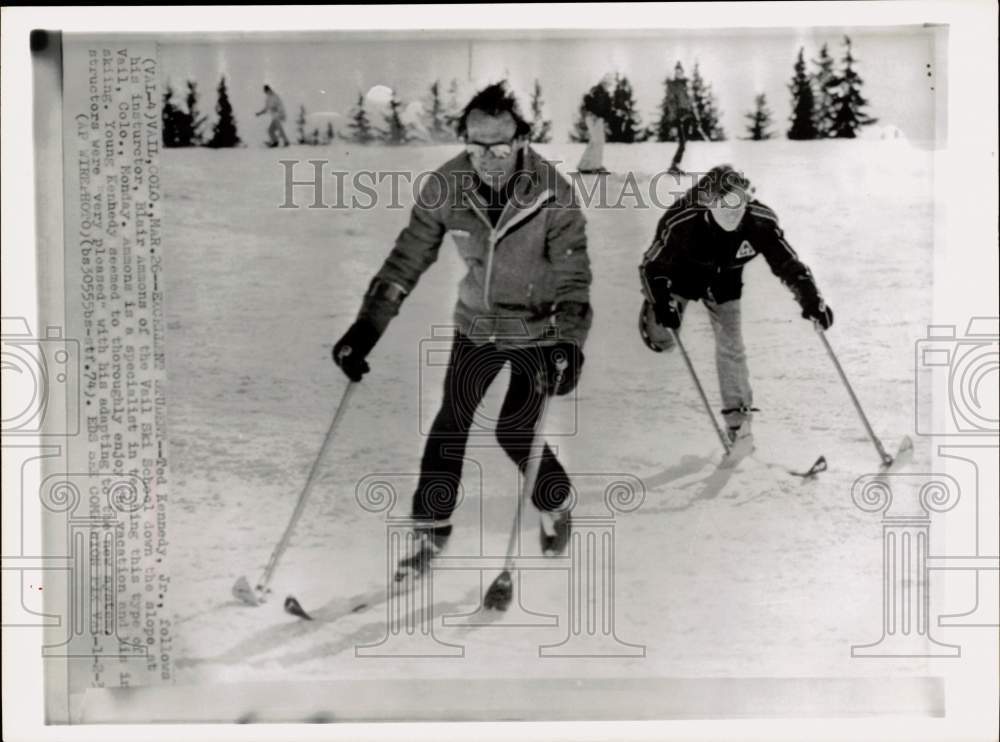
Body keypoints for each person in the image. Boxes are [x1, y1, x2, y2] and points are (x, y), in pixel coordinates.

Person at [332, 82, 593, 580]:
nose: (489, 158)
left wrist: (569, 342)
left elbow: (573, 275)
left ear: (520, 139)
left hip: (537, 329)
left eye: (500, 146)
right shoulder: (446, 186)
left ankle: (556, 504)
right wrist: (364, 330)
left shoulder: (553, 192)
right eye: (477, 146)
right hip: (476, 325)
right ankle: (429, 533)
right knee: (451, 423)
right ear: (464, 141)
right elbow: (406, 259)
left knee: (516, 430)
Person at [638, 164, 834, 447]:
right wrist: (661, 301)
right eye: (724, 202)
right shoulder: (682, 221)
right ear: (709, 202)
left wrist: (811, 299)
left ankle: (738, 425)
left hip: (725, 281)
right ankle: (662, 320)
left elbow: (788, 264)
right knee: (661, 338)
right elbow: (651, 266)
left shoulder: (760, 222)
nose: (733, 209)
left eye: (740, 201)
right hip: (681, 276)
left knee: (732, 344)